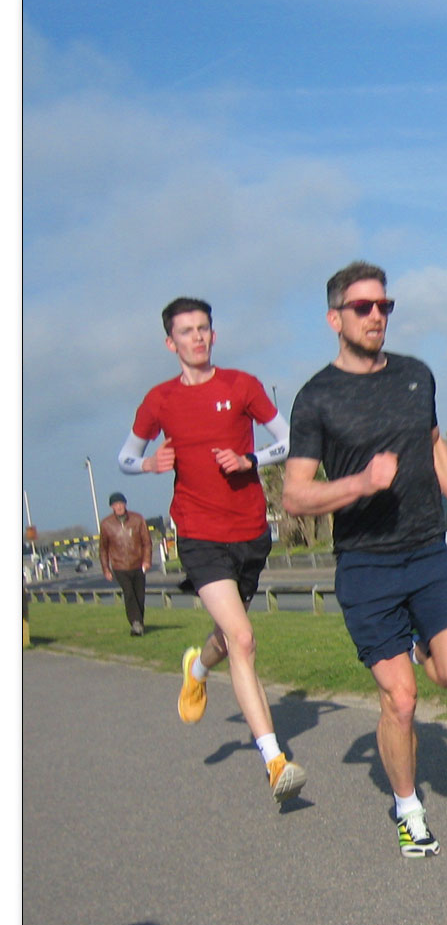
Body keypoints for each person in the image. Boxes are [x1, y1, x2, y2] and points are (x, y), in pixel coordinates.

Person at [282, 260, 447, 858]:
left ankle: (422, 640)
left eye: (385, 306)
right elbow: (295, 495)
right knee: (401, 700)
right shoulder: (315, 399)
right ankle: (408, 808)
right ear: (335, 318)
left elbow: (433, 444)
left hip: (427, 550)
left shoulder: (415, 376)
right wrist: (359, 485)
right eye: (363, 307)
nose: (377, 315)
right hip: (366, 567)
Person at [117, 296, 306, 805]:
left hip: (249, 530)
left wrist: (250, 459)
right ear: (170, 342)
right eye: (186, 331)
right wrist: (150, 464)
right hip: (199, 533)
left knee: (227, 640)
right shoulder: (159, 400)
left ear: (212, 336)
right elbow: (124, 457)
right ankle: (274, 761)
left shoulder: (240, 384)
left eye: (203, 329)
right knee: (243, 639)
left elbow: (288, 440)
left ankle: (197, 668)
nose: (196, 338)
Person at [99, 492, 152, 636]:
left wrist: (147, 560)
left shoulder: (137, 519)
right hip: (119, 566)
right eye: (116, 505)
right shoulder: (106, 524)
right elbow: (103, 549)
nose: (119, 507)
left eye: (121, 504)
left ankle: (139, 622)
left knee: (139, 596)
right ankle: (135, 623)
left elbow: (147, 542)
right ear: (112, 507)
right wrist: (106, 569)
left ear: (125, 504)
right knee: (129, 593)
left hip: (138, 563)